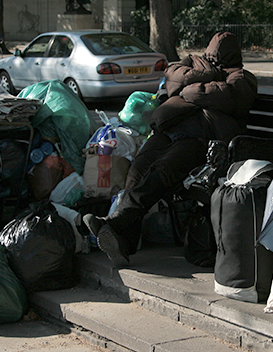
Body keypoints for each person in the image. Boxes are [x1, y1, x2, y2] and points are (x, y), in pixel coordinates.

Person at [83, 31, 258, 267]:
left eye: (217, 56)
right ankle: (125, 240)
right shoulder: (196, 63)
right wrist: (206, 75)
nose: (213, 57)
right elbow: (172, 76)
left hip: (203, 139)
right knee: (138, 168)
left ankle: (116, 224)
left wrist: (192, 89)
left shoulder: (241, 76)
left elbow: (223, 95)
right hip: (170, 130)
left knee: (163, 170)